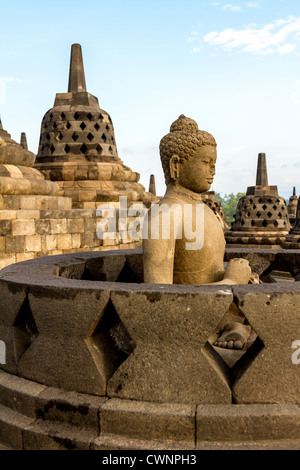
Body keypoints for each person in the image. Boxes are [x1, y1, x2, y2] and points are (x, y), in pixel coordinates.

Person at [142, 115, 253, 349]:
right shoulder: (164, 215)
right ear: (176, 165)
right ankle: (224, 326)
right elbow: (158, 296)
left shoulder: (205, 211)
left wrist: (239, 280)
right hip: (189, 317)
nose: (213, 170)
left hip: (219, 306)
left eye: (214, 162)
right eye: (205, 162)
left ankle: (232, 321)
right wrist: (231, 281)